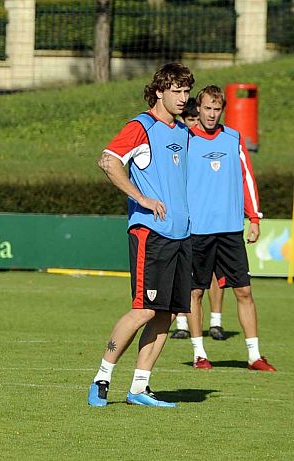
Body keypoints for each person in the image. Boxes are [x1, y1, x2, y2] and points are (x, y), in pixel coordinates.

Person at [87, 63, 194, 408]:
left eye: (185, 90)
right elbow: (108, 161)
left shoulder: (181, 131)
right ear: (159, 91)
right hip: (151, 233)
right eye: (175, 90)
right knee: (144, 310)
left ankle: (139, 388)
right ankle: (101, 379)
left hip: (181, 235)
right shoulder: (141, 126)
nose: (182, 97)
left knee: (167, 313)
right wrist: (141, 198)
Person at [185, 85, 276, 371]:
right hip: (197, 231)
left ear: (222, 110)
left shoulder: (233, 138)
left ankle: (254, 356)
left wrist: (255, 218)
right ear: (198, 109)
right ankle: (200, 354)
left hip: (229, 230)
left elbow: (247, 179)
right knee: (196, 293)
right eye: (207, 108)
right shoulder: (185, 140)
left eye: (217, 109)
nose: (212, 114)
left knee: (244, 292)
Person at [171, 98, 227, 341]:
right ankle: (182, 322)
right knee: (185, 275)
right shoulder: (181, 144)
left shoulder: (221, 142)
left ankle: (216, 321)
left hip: (213, 222)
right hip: (188, 223)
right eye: (191, 119)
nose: (196, 124)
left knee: (215, 275)